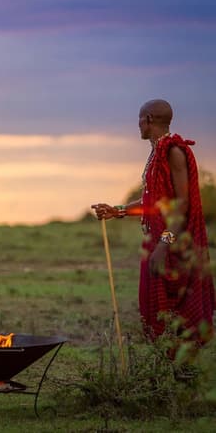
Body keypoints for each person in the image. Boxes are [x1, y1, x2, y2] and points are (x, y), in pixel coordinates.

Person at [92, 99, 214, 348]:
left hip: (174, 247)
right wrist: (118, 211)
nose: (137, 125)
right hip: (157, 243)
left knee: (180, 317)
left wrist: (164, 244)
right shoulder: (157, 152)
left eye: (139, 119)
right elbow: (153, 202)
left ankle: (184, 376)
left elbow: (182, 205)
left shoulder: (174, 152)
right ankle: (164, 373)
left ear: (148, 120)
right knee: (155, 314)